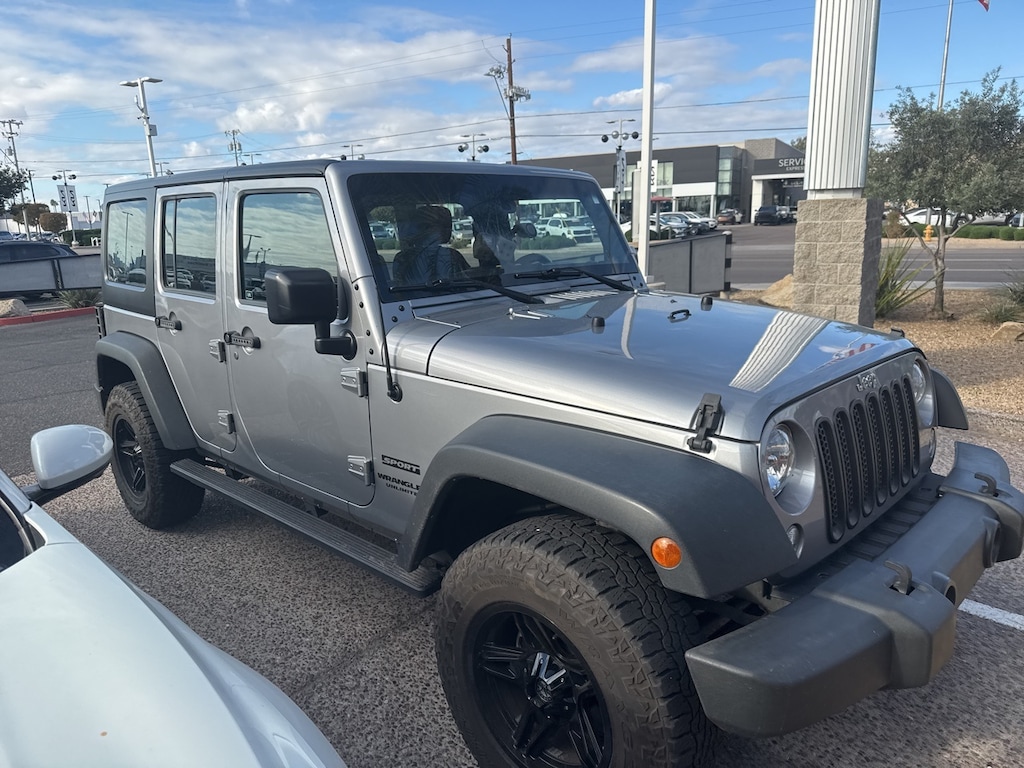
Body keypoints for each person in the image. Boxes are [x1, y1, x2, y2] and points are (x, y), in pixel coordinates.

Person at [392, 206, 469, 285]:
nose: (448, 230)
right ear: (424, 228)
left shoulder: (401, 258)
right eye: (444, 227)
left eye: (447, 226)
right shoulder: (453, 256)